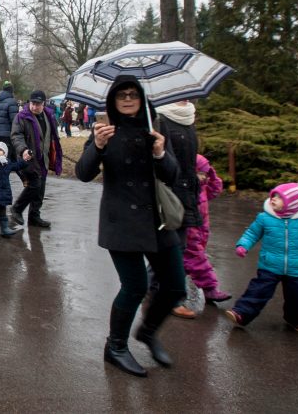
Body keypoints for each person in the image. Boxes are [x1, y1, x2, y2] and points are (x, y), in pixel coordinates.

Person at [75, 75, 182, 378]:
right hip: (120, 221)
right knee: (135, 286)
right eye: (121, 94)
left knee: (175, 286)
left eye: (133, 93)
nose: (127, 99)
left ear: (141, 97)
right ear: (113, 100)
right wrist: (97, 145)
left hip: (156, 220)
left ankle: (147, 332)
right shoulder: (105, 131)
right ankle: (116, 347)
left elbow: (173, 175)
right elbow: (83, 173)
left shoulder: (155, 128)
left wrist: (160, 152)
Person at [226, 183, 298, 333]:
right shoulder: (264, 218)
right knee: (258, 290)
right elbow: (252, 234)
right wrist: (243, 245)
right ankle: (241, 313)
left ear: (292, 204)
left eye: (280, 198)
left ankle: (297, 320)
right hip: (270, 265)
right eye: (274, 195)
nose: (273, 199)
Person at [155, 100, 203, 319]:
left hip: (188, 189)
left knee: (174, 246)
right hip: (170, 191)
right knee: (173, 246)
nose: (184, 98)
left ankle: (158, 289)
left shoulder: (189, 117)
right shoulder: (161, 119)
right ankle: (172, 297)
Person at [10, 90, 63, 229]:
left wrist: (55, 151)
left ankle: (34, 216)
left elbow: (52, 135)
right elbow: (16, 136)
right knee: (35, 185)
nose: (34, 107)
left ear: (44, 103)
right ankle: (17, 209)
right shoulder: (22, 117)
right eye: (33, 103)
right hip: (28, 158)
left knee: (40, 189)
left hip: (44, 158)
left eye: (38, 104)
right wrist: (23, 150)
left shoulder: (48, 115)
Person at [185, 154, 230, 303]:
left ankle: (153, 286)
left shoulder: (204, 187)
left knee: (181, 264)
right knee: (197, 260)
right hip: (191, 230)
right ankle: (210, 289)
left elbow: (215, 190)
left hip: (202, 230)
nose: (204, 177)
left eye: (205, 174)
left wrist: (211, 173)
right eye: (200, 173)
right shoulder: (188, 189)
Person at [0, 81, 19, 151]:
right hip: (10, 134)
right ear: (11, 90)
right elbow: (14, 120)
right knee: (11, 153)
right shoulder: (12, 101)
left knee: (2, 153)